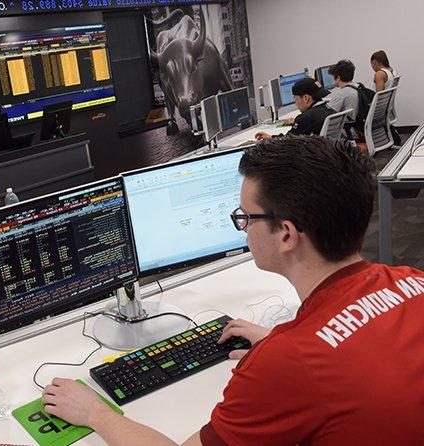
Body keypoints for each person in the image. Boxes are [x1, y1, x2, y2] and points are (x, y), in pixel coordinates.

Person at [42, 136, 424, 445]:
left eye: (245, 217)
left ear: (287, 234)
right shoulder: (412, 280)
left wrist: (96, 414)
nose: (241, 228)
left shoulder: (290, 362)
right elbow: (362, 346)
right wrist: (279, 341)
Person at [255, 78, 335, 140]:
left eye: (295, 98)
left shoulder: (307, 117)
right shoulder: (329, 109)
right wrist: (271, 137)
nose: (295, 103)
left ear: (306, 98)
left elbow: (287, 142)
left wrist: (269, 140)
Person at [371, 50, 401, 145]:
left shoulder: (380, 74)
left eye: (371, 64)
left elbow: (379, 95)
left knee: (356, 115)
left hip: (379, 109)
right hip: (387, 107)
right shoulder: (392, 70)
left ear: (374, 62)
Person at [324, 59, 359, 124]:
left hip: (345, 127)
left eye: (332, 76)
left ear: (338, 78)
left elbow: (326, 114)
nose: (331, 79)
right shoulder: (358, 86)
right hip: (355, 125)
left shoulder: (342, 93)